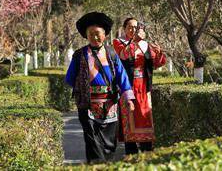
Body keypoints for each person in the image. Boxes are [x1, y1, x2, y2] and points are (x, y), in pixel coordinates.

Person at [65, 12, 135, 164]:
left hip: (110, 105)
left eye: (98, 34)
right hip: (88, 105)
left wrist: (129, 98)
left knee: (110, 144)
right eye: (91, 34)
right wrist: (82, 89)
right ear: (86, 35)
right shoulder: (79, 55)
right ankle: (97, 166)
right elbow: (70, 78)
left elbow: (122, 77)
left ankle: (107, 164)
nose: (95, 37)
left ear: (105, 34)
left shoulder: (112, 54)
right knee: (92, 142)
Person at [113, 17, 166, 155]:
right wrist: (135, 41)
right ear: (124, 29)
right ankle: (131, 154)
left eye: (136, 27)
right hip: (127, 87)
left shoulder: (146, 45)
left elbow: (158, 63)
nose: (133, 30)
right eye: (129, 27)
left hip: (143, 87)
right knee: (129, 119)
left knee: (145, 117)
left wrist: (159, 52)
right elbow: (124, 55)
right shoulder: (118, 42)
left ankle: (147, 151)